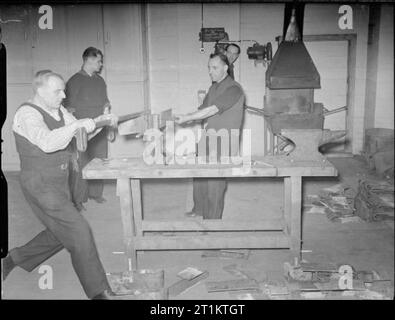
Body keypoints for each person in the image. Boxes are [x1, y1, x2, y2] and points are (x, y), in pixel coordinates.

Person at [2, 70, 118, 299]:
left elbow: (79, 137)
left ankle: (12, 259)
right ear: (40, 91)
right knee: (79, 230)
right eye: (57, 91)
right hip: (39, 183)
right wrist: (78, 126)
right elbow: (47, 142)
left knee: (60, 233)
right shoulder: (27, 114)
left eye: (63, 90)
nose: (63, 95)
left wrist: (101, 122)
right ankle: (99, 292)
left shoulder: (58, 110)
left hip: (60, 182)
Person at [174, 53, 245, 220]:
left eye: (214, 68)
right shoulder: (213, 88)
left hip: (224, 143)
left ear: (225, 68)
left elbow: (212, 109)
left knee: (215, 185)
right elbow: (202, 109)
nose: (210, 71)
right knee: (199, 178)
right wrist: (184, 116)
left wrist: (188, 118)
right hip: (207, 139)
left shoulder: (234, 89)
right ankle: (198, 209)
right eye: (209, 67)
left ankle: (212, 225)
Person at [64, 47, 112, 211]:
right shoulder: (73, 81)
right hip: (82, 130)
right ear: (89, 60)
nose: (101, 64)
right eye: (98, 61)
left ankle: (96, 194)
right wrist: (77, 130)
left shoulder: (100, 80)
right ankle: (78, 200)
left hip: (99, 127)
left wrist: (107, 120)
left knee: (99, 160)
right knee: (81, 163)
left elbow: (106, 103)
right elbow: (68, 110)